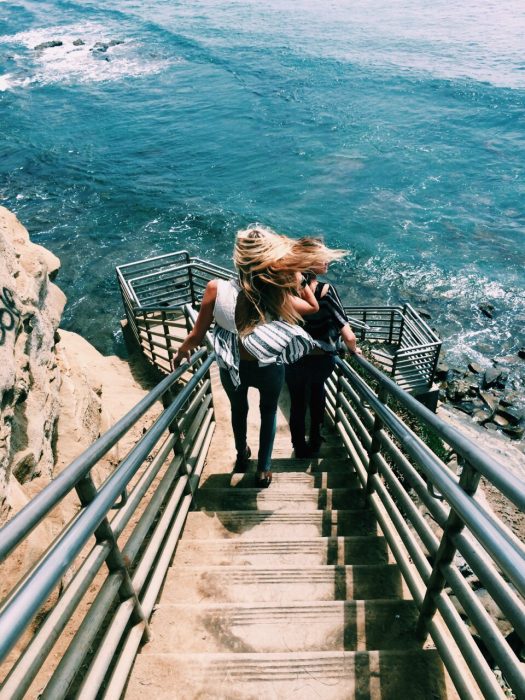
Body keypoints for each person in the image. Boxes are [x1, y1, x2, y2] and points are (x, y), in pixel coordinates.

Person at [171, 226, 320, 488]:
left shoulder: (215, 289)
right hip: (269, 367)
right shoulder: (276, 294)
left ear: (238, 258)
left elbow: (196, 336)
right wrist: (300, 278)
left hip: (232, 367)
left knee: (238, 410)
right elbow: (312, 307)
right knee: (269, 412)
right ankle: (263, 469)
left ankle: (242, 456)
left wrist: (182, 352)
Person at [285, 237, 360, 458]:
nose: (327, 260)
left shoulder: (287, 290)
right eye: (321, 257)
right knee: (317, 395)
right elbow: (347, 333)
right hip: (320, 359)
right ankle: (315, 441)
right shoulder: (326, 291)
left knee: (297, 403)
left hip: (294, 358)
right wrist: (354, 349)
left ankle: (299, 447)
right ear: (309, 261)